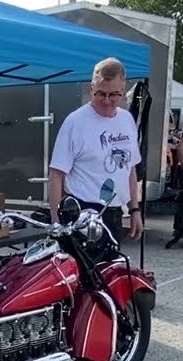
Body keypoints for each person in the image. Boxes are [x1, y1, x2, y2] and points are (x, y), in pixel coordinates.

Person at [48, 57, 145, 243]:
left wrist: (135, 209)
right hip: (82, 213)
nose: (107, 101)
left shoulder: (126, 120)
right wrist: (55, 221)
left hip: (114, 212)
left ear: (123, 90)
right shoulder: (75, 122)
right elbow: (57, 173)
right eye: (101, 94)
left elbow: (130, 169)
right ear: (91, 88)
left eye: (114, 95)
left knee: (111, 270)